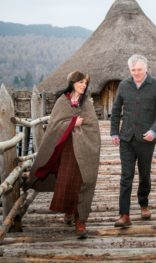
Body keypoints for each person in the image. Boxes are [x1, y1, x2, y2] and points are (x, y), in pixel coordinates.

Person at [26, 71, 101, 239]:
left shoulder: (86, 103)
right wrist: (74, 122)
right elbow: (55, 125)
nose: (83, 85)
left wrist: (77, 125)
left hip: (84, 149)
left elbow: (93, 126)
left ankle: (80, 220)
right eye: (80, 82)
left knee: (83, 181)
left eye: (85, 83)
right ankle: (69, 211)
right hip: (66, 150)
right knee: (67, 180)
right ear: (72, 82)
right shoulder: (62, 101)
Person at [110, 54, 156, 227]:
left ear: (146, 69)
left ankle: (143, 204)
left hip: (146, 139)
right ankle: (124, 215)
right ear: (130, 70)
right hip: (126, 138)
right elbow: (115, 111)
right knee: (126, 176)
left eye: (139, 70)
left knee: (144, 175)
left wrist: (154, 130)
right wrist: (114, 132)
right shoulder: (124, 85)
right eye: (133, 70)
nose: (136, 73)